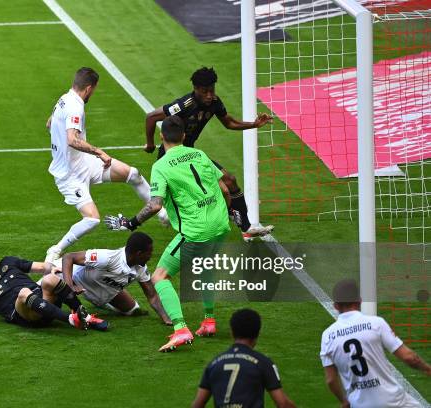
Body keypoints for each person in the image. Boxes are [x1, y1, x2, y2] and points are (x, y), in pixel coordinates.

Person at [105, 115, 230, 352]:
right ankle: (209, 321)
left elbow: (154, 205)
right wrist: (223, 217)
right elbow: (224, 187)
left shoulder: (161, 166)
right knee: (205, 268)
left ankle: (181, 329)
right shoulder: (200, 154)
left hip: (195, 232)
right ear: (184, 135)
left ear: (162, 137)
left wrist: (131, 223)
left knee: (159, 276)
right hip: (221, 225)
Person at [44, 67, 169, 263]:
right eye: (93, 90)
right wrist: (99, 152)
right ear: (88, 88)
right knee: (92, 219)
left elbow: (49, 123)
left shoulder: (64, 98)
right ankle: (56, 249)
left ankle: (162, 213)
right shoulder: (75, 106)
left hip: (83, 163)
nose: (92, 94)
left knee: (133, 174)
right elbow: (72, 139)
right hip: (69, 175)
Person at [144, 67, 273, 241]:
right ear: (196, 89)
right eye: (205, 92)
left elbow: (228, 122)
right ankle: (179, 222)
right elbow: (151, 117)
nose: (210, 95)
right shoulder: (184, 105)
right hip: (171, 155)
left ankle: (247, 228)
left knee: (230, 181)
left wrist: (254, 124)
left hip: (191, 153)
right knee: (183, 197)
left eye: (212, 90)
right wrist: (151, 143)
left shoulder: (214, 102)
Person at [0, 240, 108, 331]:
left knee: (49, 280)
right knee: (23, 292)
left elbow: (42, 267)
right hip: (27, 315)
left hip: (44, 301)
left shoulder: (9, 262)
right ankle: (70, 320)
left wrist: (51, 269)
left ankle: (84, 315)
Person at [320, 279, 430, 408]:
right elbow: (409, 358)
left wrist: (344, 401)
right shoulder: (376, 323)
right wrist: (427, 369)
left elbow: (331, 380)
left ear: (336, 306)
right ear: (359, 301)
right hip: (394, 402)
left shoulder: (327, 336)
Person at [52, 231, 171, 324]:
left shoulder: (141, 269)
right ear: (138, 254)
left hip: (105, 292)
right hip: (76, 279)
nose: (150, 256)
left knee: (133, 310)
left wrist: (166, 318)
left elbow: (152, 296)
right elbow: (69, 257)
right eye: (149, 252)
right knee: (50, 287)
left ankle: (100, 303)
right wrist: (70, 286)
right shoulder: (108, 257)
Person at [192, 309, 296, 408]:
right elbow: (283, 404)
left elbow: (197, 405)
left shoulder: (214, 364)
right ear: (257, 334)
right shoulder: (263, 363)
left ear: (232, 333)